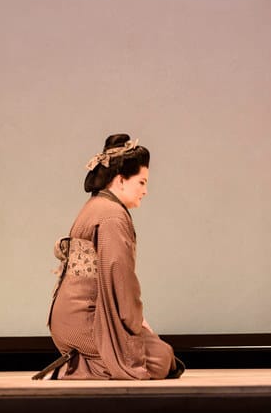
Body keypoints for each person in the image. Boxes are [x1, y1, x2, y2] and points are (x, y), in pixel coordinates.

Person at [44, 135, 184, 380]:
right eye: (141, 182)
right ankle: (82, 366)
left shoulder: (96, 205)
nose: (145, 191)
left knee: (154, 350)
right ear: (120, 181)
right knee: (161, 358)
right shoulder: (112, 216)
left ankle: (83, 362)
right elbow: (119, 276)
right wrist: (137, 323)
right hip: (85, 321)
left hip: (66, 318)